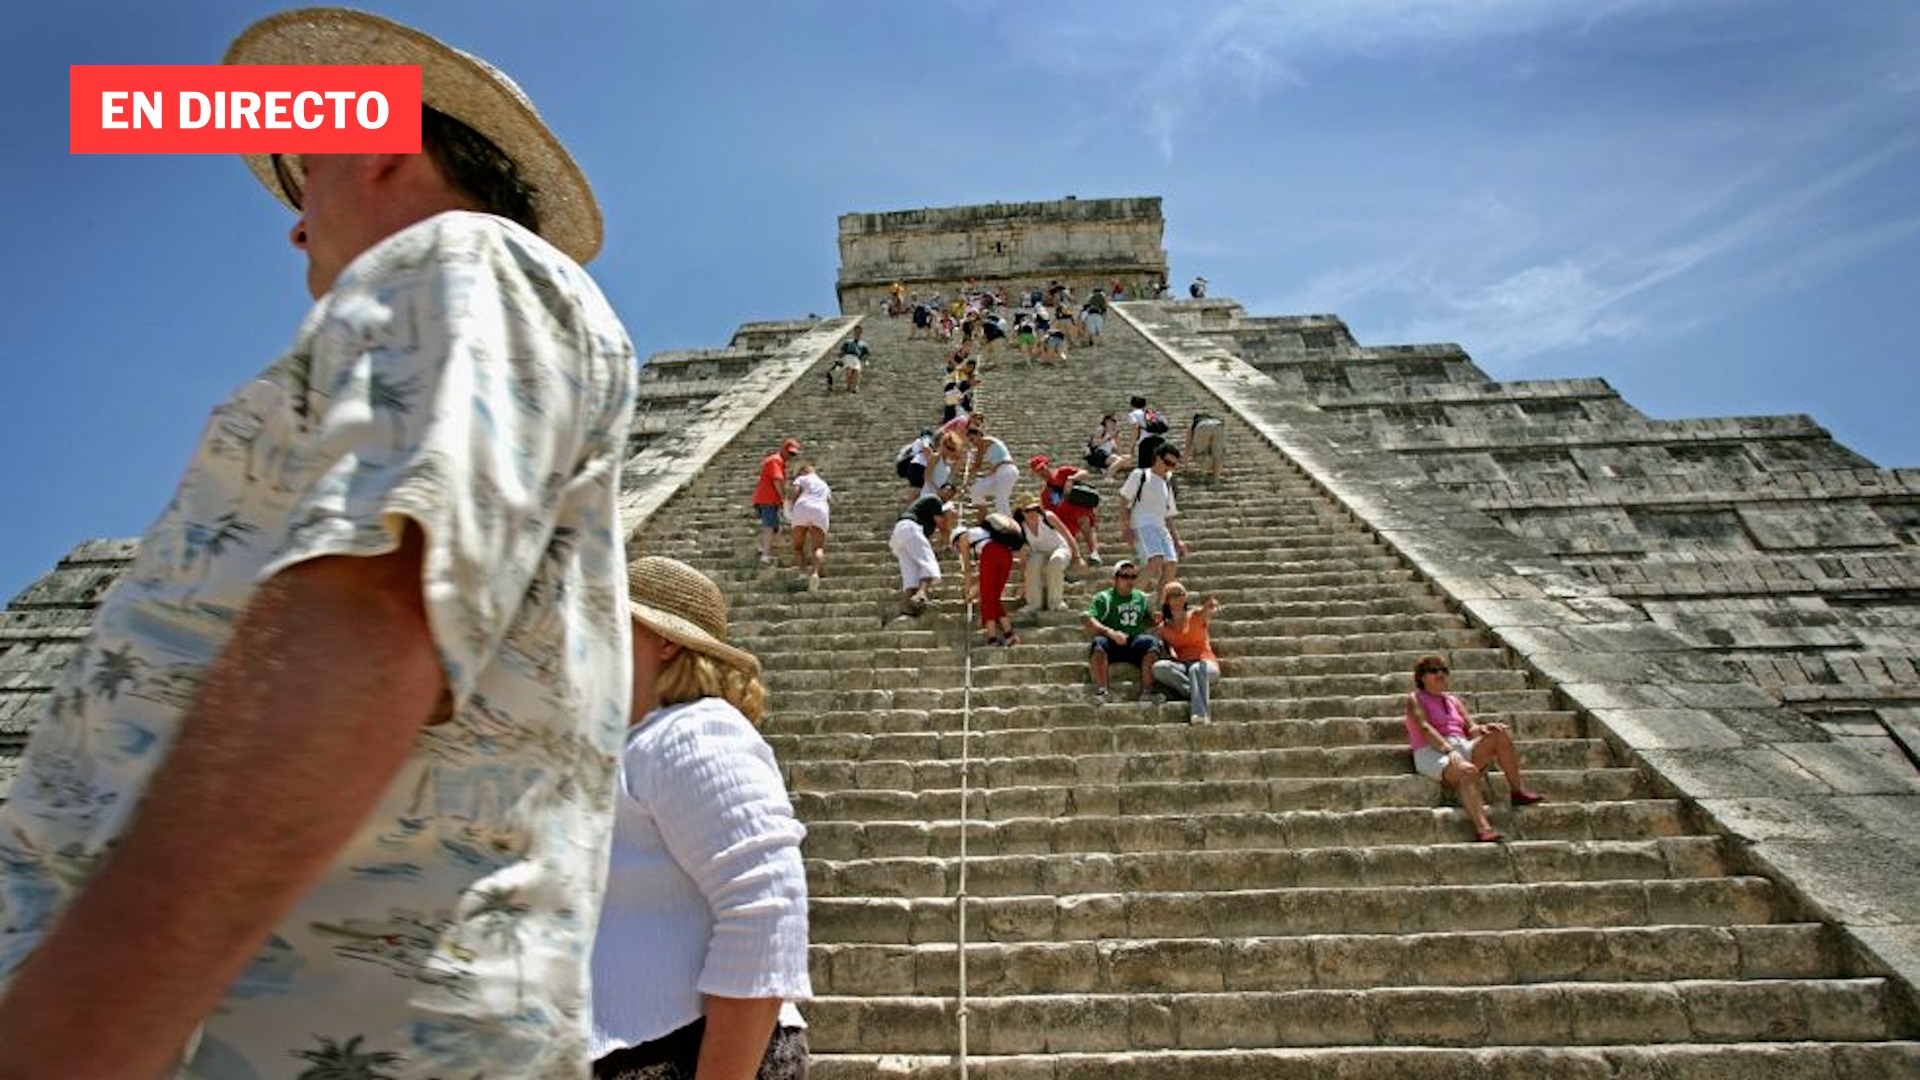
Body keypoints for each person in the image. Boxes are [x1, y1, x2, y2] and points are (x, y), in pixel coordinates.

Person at [0, 11, 638, 1078]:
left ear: (386, 144)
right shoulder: (465, 294)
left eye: (306, 177)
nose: (296, 227)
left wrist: (73, 1033)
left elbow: (373, 614)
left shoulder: (461, 258)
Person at [593, 557, 811, 1080]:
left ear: (665, 642)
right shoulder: (635, 744)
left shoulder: (693, 732)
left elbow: (766, 907)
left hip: (685, 1055)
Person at [1404, 655, 1547, 843]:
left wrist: (1484, 729)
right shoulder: (1415, 698)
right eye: (1433, 670)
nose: (1440, 674)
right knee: (1467, 771)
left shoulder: (1453, 700)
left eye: (1443, 671)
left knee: (1500, 736)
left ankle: (1517, 791)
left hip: (1462, 745)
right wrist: (1448, 750)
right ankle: (1483, 828)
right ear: (1421, 677)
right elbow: (1424, 727)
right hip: (1432, 751)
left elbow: (1470, 728)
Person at [1119, 442, 1188, 604]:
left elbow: (1168, 515)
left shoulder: (1167, 483)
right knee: (1154, 561)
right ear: (1157, 457)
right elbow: (1124, 501)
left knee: (1171, 564)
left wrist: (1177, 541)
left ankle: (1158, 607)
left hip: (1161, 528)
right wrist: (1125, 527)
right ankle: (1128, 603)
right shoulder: (1140, 475)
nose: (1169, 467)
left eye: (1173, 465)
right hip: (1143, 525)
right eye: (1167, 462)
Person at [1083, 560, 1160, 703]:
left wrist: (1154, 619)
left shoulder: (1141, 597)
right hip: (1111, 642)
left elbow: (1147, 620)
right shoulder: (1104, 598)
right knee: (1098, 643)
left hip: (1134, 642)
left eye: (1133, 577)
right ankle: (1102, 691)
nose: (1129, 580)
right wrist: (1110, 633)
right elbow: (1089, 619)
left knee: (1151, 643)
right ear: (1115, 579)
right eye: (1125, 576)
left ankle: (1147, 691)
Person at [1152, 583, 1221, 723]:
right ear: (1167, 600)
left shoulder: (1196, 615)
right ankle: (1193, 691)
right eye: (1174, 595)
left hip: (1205, 663)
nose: (1178, 598)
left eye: (1181, 594)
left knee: (1196, 669)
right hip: (1183, 666)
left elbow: (1208, 612)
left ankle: (1200, 715)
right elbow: (1164, 648)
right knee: (1159, 668)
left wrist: (1211, 607)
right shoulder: (1164, 627)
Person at [1031, 454, 1102, 565]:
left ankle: (1094, 552)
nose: (1042, 472)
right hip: (1065, 519)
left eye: (1043, 468)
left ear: (1047, 465)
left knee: (1084, 520)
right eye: (1038, 471)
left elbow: (1085, 473)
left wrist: (1072, 479)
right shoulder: (1045, 494)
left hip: (1078, 509)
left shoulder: (1063, 472)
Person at [1015, 500, 1082, 614]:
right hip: (1039, 552)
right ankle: (1033, 603)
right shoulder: (1020, 527)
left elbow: (1067, 534)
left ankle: (1056, 602)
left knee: (1056, 560)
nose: (1032, 513)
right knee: (1032, 564)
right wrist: (1024, 583)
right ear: (1021, 513)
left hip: (1060, 548)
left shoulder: (1048, 517)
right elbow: (1023, 557)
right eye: (1027, 511)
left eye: (1035, 509)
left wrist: (1077, 557)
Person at [890, 495, 948, 618]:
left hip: (899, 533)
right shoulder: (935, 500)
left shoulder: (923, 509)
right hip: (911, 528)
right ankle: (921, 594)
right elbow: (941, 524)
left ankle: (906, 606)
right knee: (928, 562)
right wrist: (947, 540)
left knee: (911, 572)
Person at [754, 438, 801, 565]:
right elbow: (777, 481)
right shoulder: (775, 461)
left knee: (774, 527)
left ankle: (761, 546)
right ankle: (765, 554)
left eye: (793, 455)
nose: (790, 457)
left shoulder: (779, 462)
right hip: (767, 499)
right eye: (789, 453)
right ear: (783, 449)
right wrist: (784, 498)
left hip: (769, 499)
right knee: (770, 526)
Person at [786, 464, 832, 592]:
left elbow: (795, 492)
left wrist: (789, 506)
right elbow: (828, 501)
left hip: (802, 508)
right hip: (820, 510)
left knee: (798, 547)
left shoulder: (802, 478)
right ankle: (815, 573)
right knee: (818, 547)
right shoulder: (824, 484)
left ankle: (802, 573)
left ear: (803, 471)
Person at [966, 420, 1018, 517]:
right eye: (970, 441)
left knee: (1001, 500)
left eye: (972, 439)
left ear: (979, 435)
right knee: (976, 489)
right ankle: (984, 517)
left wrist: (967, 481)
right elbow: (976, 466)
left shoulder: (987, 441)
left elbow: (977, 465)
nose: (972, 443)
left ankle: (1010, 526)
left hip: (1006, 470)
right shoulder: (982, 446)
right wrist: (966, 483)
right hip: (998, 473)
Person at [833, 325, 870, 393]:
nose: (858, 333)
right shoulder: (848, 341)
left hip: (857, 359)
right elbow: (842, 351)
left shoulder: (863, 344)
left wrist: (866, 361)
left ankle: (855, 387)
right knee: (849, 371)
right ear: (854, 332)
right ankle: (849, 386)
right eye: (856, 332)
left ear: (861, 333)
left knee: (857, 371)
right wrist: (838, 359)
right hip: (848, 357)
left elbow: (866, 354)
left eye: (859, 332)